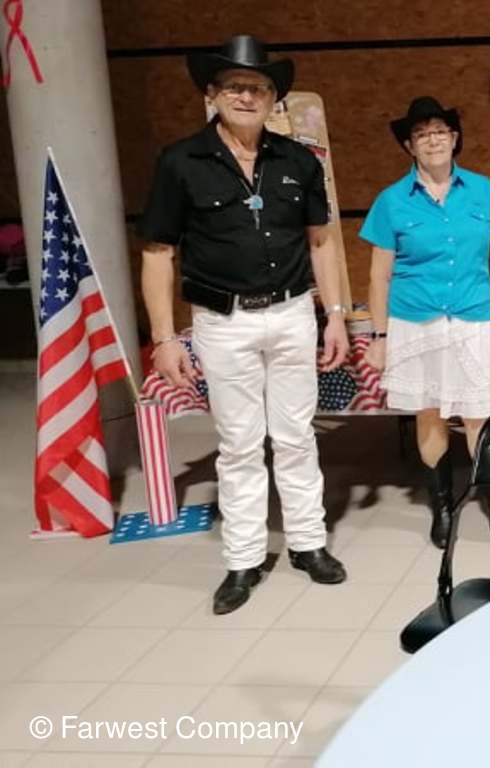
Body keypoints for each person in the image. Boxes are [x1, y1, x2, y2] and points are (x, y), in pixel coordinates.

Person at [138, 35, 350, 615]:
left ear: (273, 98)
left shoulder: (299, 161)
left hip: (292, 314)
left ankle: (308, 544)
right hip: (222, 322)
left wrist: (334, 316)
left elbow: (322, 241)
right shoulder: (181, 161)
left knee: (296, 436)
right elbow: (158, 252)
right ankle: (243, 559)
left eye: (258, 87)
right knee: (238, 445)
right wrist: (164, 338)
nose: (246, 96)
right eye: (234, 86)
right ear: (212, 93)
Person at [361, 96, 490, 551]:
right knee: (429, 414)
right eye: (421, 134)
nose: (432, 141)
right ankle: (442, 509)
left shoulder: (482, 191)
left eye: (440, 132)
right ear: (410, 146)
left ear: (455, 138)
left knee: (481, 414)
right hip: (414, 321)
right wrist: (380, 335)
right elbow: (379, 274)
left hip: (471, 318)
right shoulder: (391, 201)